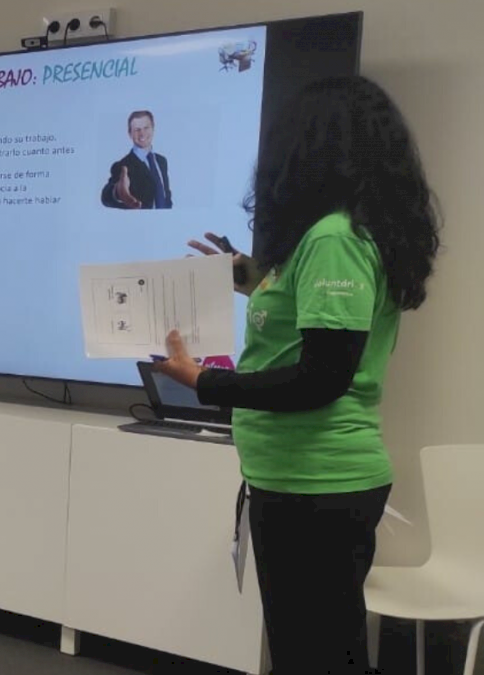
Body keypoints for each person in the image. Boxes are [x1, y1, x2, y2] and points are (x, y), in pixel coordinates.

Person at [156, 75, 440, 674]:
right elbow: (302, 317)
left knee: (316, 659)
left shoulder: (335, 237)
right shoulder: (334, 235)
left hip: (318, 487)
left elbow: (321, 378)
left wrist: (204, 381)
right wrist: (248, 274)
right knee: (313, 654)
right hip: (302, 483)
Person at [100, 110, 173, 210]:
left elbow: (166, 195)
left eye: (146, 128)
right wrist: (118, 192)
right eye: (137, 130)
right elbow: (106, 197)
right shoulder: (122, 165)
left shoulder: (162, 161)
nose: (142, 134)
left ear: (153, 129)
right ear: (130, 134)